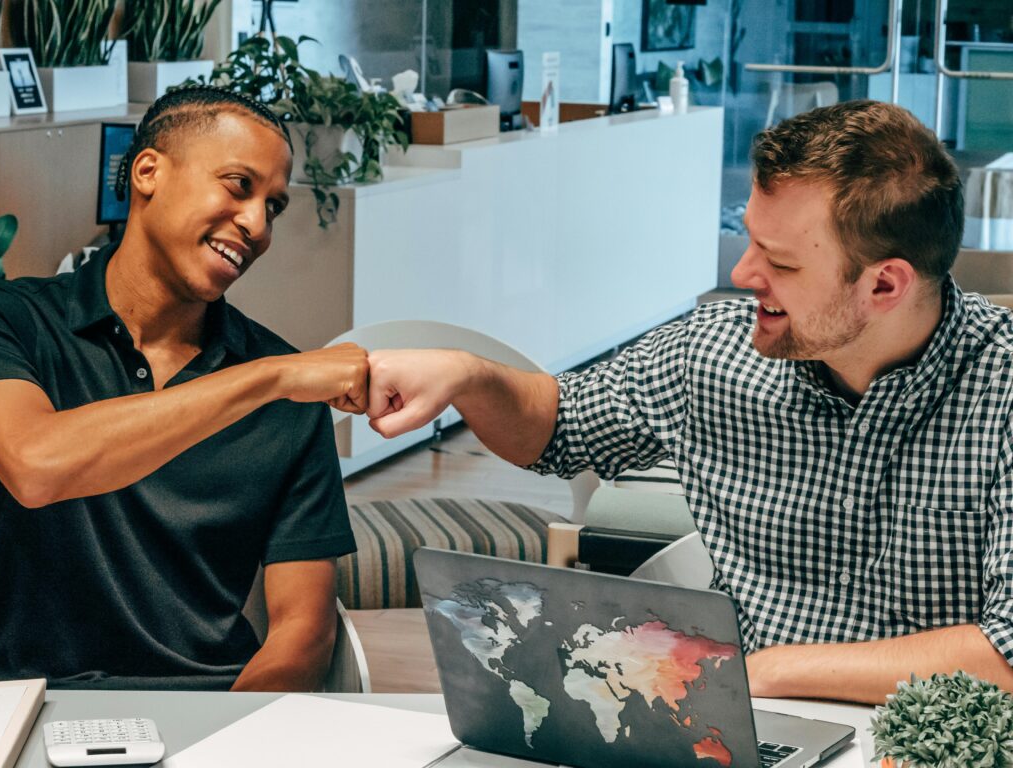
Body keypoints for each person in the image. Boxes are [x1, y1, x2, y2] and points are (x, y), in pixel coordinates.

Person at [364, 100, 1013, 704]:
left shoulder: (1001, 393)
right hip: (738, 729)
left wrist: (768, 670)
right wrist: (469, 378)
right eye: (749, 237)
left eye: (779, 262)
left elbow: (1006, 654)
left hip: (927, 739)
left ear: (885, 284)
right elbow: (559, 427)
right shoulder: (714, 350)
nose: (742, 274)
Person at [0, 85, 368, 691]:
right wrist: (270, 379)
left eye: (274, 206)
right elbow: (35, 463)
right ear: (148, 172)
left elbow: (303, 634)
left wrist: (227, 744)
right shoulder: (10, 320)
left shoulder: (288, 392)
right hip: (20, 709)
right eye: (239, 186)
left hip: (210, 710)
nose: (257, 225)